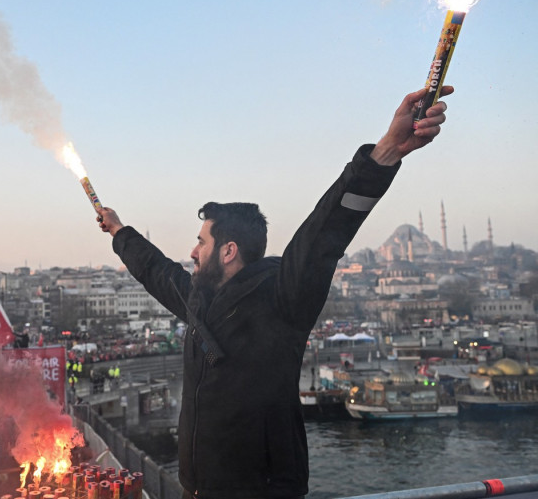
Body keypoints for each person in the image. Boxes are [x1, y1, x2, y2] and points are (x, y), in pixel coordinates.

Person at [95, 87, 453, 499]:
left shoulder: (283, 298)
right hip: (198, 489)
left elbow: (325, 232)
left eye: (201, 242)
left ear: (229, 251)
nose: (192, 252)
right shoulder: (201, 301)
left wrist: (387, 151)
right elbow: (155, 271)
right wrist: (119, 231)